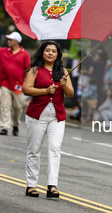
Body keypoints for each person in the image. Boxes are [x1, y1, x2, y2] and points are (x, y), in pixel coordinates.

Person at [23, 41, 74, 198]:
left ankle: (52, 186)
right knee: (34, 149)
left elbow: (71, 94)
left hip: (57, 116)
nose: (50, 53)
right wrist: (46, 90)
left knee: (55, 148)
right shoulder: (35, 70)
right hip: (37, 114)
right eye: (47, 50)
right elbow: (26, 89)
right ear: (42, 53)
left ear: (58, 54)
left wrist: (65, 85)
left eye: (53, 51)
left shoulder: (63, 71)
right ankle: (31, 185)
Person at [0, 31, 30, 136]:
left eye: (10, 40)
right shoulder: (4, 51)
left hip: (18, 85)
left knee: (18, 107)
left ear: (16, 42)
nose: (8, 41)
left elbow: (28, 70)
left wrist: (27, 84)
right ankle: (4, 127)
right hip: (5, 84)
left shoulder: (25, 54)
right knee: (5, 106)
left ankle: (15, 124)